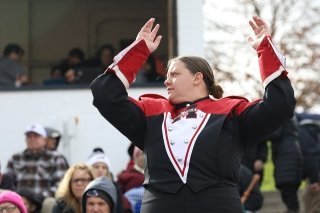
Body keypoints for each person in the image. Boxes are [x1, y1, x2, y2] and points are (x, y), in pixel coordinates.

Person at [90, 16, 295, 213]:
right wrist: (138, 51)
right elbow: (105, 95)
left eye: (174, 74)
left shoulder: (232, 113)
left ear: (198, 78)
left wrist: (265, 50)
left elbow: (280, 105)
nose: (166, 81)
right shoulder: (150, 115)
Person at [5, 123, 69, 198]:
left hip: (44, 200)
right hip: (20, 200)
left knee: (49, 203)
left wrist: (41, 197)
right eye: (29, 136)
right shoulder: (15, 158)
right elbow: (7, 182)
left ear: (45, 140)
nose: (32, 139)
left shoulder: (56, 158)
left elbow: (61, 184)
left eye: (36, 136)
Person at [117, 147, 144, 213]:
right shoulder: (125, 176)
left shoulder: (156, 175)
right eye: (142, 154)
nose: (145, 157)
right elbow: (119, 196)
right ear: (136, 157)